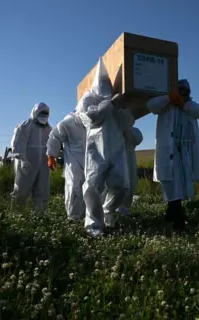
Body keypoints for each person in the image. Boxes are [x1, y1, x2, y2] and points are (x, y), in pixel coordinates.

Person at [77, 57, 134, 237]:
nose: (105, 86)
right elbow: (92, 117)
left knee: (121, 186)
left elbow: (128, 124)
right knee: (92, 187)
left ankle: (108, 211)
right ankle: (93, 226)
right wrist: (111, 104)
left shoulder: (117, 100)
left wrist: (123, 107)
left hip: (116, 149)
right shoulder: (88, 98)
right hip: (96, 152)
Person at [146, 79, 199, 231]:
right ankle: (178, 223)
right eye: (180, 90)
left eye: (186, 91)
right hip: (168, 151)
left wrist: (184, 104)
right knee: (172, 186)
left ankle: (171, 217)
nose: (183, 93)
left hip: (184, 152)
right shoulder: (165, 104)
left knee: (179, 187)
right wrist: (168, 98)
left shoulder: (190, 106)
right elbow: (150, 106)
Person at [10, 102, 52, 214]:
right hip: (27, 163)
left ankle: (39, 215)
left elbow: (51, 145)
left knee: (42, 190)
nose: (44, 116)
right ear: (35, 113)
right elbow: (17, 144)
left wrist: (52, 158)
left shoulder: (48, 129)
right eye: (41, 113)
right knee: (21, 190)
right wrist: (22, 159)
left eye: (46, 114)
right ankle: (17, 215)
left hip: (43, 164)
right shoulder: (24, 126)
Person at [46, 110, 86, 221]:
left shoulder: (94, 120)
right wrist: (51, 155)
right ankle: (73, 216)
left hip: (90, 158)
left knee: (90, 186)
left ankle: (87, 215)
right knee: (74, 186)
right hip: (73, 159)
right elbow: (55, 136)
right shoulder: (69, 121)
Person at [105, 126, 143, 217]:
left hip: (129, 161)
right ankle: (109, 209)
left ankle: (124, 208)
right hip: (114, 161)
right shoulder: (111, 130)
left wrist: (127, 128)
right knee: (113, 186)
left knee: (130, 185)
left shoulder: (133, 130)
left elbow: (138, 139)